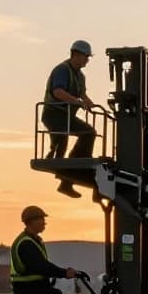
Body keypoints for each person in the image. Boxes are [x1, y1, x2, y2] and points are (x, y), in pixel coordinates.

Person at [43, 40, 97, 198]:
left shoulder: (80, 76)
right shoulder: (62, 70)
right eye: (86, 56)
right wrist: (76, 101)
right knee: (61, 141)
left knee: (89, 133)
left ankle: (70, 178)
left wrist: (89, 103)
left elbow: (82, 95)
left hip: (66, 116)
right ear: (76, 54)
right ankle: (55, 158)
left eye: (88, 57)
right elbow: (58, 92)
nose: (87, 60)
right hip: (53, 114)